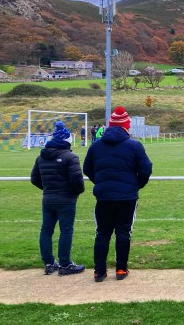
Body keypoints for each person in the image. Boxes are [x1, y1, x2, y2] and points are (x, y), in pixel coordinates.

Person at [83, 106, 153, 282]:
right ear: (126, 126)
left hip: (104, 196)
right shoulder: (134, 145)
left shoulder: (96, 145)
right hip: (127, 196)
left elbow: (87, 169)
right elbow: (146, 168)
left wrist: (100, 183)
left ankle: (99, 272)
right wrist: (136, 185)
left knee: (102, 232)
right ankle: (121, 269)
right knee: (123, 232)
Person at [30, 121, 86, 276]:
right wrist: (74, 193)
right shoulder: (70, 156)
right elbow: (77, 181)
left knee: (46, 230)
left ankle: (48, 263)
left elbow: (34, 178)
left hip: (48, 199)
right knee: (66, 230)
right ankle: (65, 264)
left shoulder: (41, 157)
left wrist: (48, 189)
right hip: (66, 199)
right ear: (66, 140)